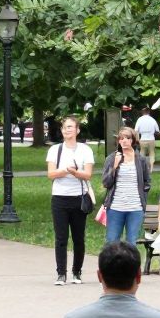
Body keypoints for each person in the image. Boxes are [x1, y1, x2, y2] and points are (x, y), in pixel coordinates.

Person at [47, 115, 95, 285]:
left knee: (78, 238)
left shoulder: (85, 150)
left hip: (78, 198)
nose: (67, 130)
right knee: (61, 238)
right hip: (60, 198)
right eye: (64, 127)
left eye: (70, 127)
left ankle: (77, 272)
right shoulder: (55, 150)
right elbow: (51, 174)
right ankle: (61, 273)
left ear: (77, 130)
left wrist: (75, 172)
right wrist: (67, 171)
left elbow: (88, 174)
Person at [101, 127, 150, 244]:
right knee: (112, 242)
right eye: (121, 138)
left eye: (127, 138)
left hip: (135, 208)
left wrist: (142, 198)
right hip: (115, 207)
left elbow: (147, 182)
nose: (124, 141)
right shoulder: (112, 158)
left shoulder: (141, 160)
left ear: (133, 140)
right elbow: (106, 183)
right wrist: (114, 166)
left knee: (131, 243)